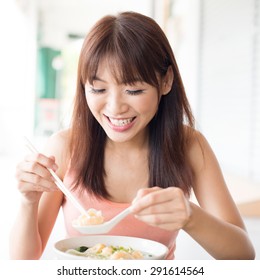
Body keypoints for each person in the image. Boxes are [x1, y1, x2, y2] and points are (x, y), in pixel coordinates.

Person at [10, 11, 255, 260]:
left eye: (133, 89)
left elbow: (243, 256)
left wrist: (190, 217)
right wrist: (28, 202)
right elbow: (23, 263)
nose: (115, 108)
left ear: (166, 81)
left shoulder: (189, 146)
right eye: (98, 88)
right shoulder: (64, 147)